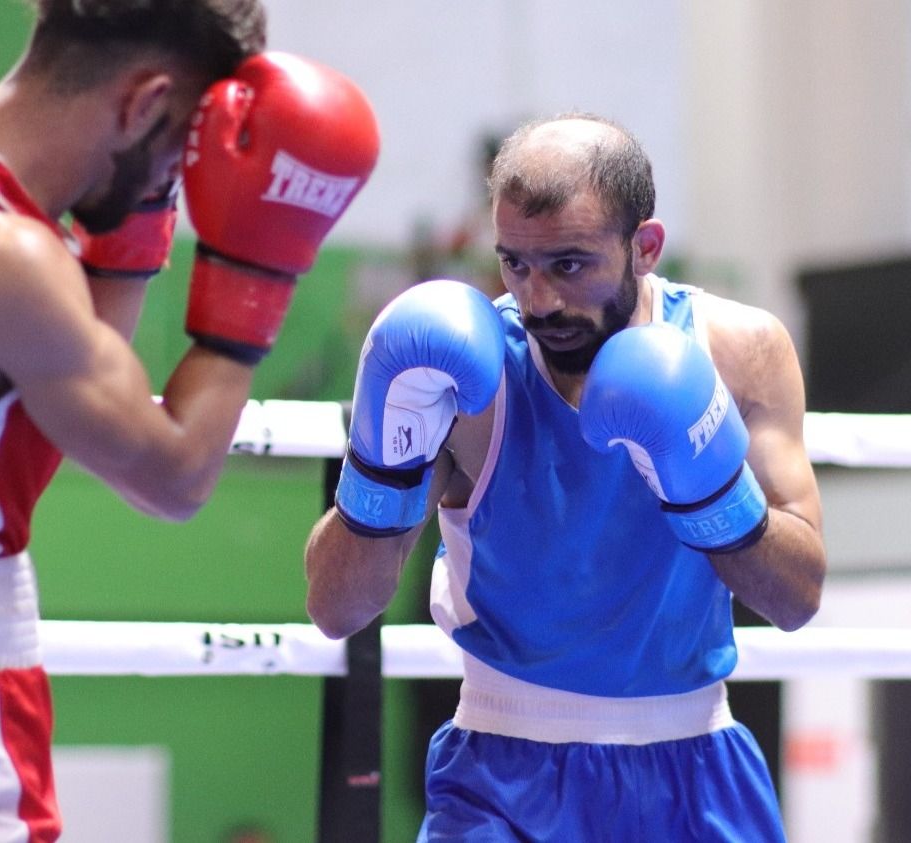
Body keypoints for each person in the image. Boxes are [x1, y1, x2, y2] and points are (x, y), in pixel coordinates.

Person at [0, 0, 379, 839]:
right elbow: (174, 477)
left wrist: (139, 215)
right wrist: (258, 264)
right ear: (143, 103)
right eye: (181, 146)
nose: (178, 172)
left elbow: (75, 381)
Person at [304, 114, 825, 841]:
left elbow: (797, 595)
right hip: (501, 778)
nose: (539, 298)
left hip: (695, 768)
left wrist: (710, 489)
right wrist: (377, 475)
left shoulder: (738, 352)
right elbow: (336, 607)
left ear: (645, 247)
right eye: (515, 264)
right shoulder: (465, 374)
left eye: (570, 265)